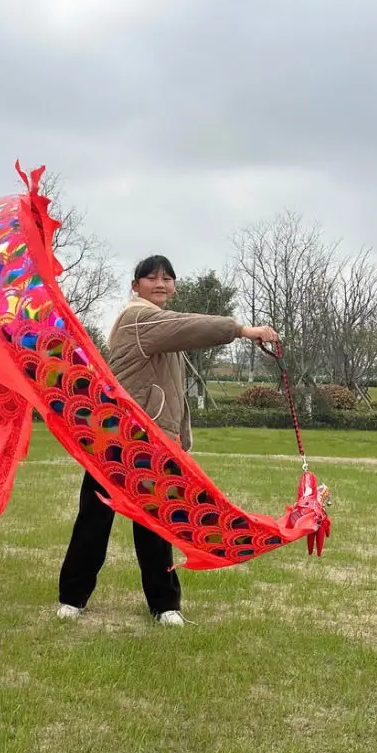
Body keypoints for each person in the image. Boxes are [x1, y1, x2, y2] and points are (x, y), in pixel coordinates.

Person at [56, 254, 278, 626]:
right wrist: (242, 330)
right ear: (135, 285)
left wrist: (178, 437)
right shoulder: (139, 318)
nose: (160, 284)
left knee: (157, 524)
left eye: (167, 279)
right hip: (119, 438)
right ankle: (72, 599)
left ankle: (165, 605)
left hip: (151, 441)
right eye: (151, 278)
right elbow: (190, 327)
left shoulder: (155, 322)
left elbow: (168, 387)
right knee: (94, 519)